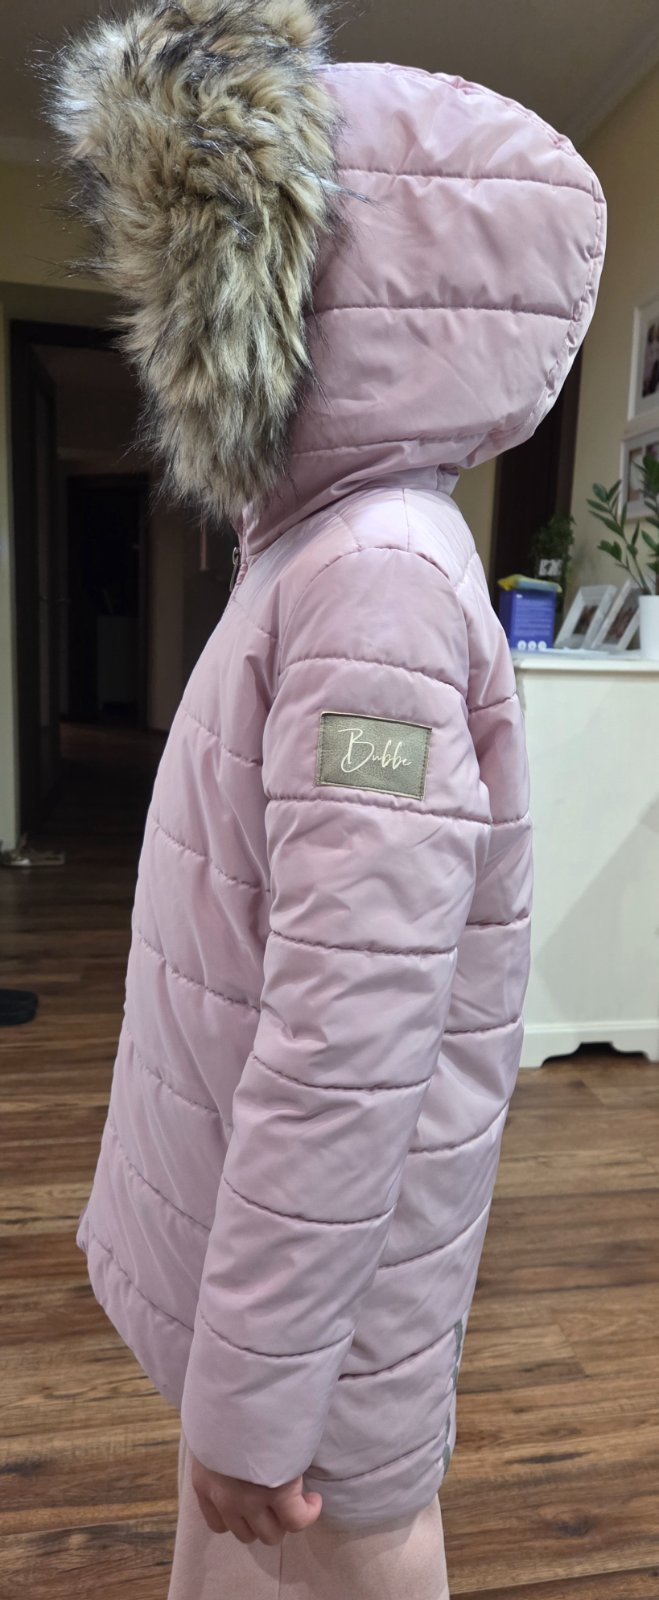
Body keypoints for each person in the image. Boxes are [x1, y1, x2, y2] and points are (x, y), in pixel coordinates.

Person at [49, 2, 606, 1594]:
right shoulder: (320, 552)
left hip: (322, 1298)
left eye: (200, 266)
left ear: (301, 291)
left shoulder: (375, 584)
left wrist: (256, 1385)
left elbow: (348, 1028)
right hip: (278, 1270)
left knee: (352, 1543)